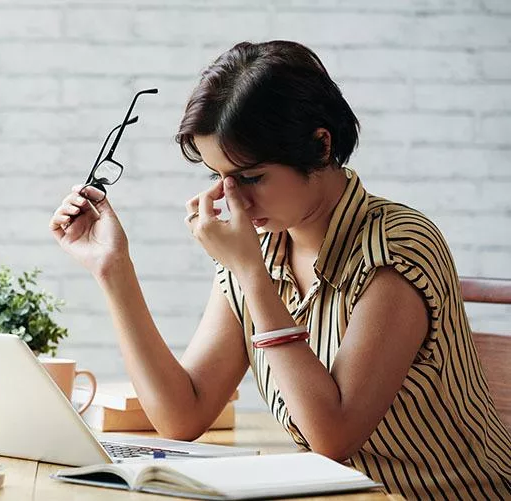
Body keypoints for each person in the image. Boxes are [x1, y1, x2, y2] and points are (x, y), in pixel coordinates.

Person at [49, 40, 511, 499]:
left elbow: (332, 438)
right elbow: (182, 416)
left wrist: (251, 272)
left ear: (320, 144)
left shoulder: (397, 248)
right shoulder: (261, 248)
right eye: (219, 177)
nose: (235, 200)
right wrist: (114, 269)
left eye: (251, 177)